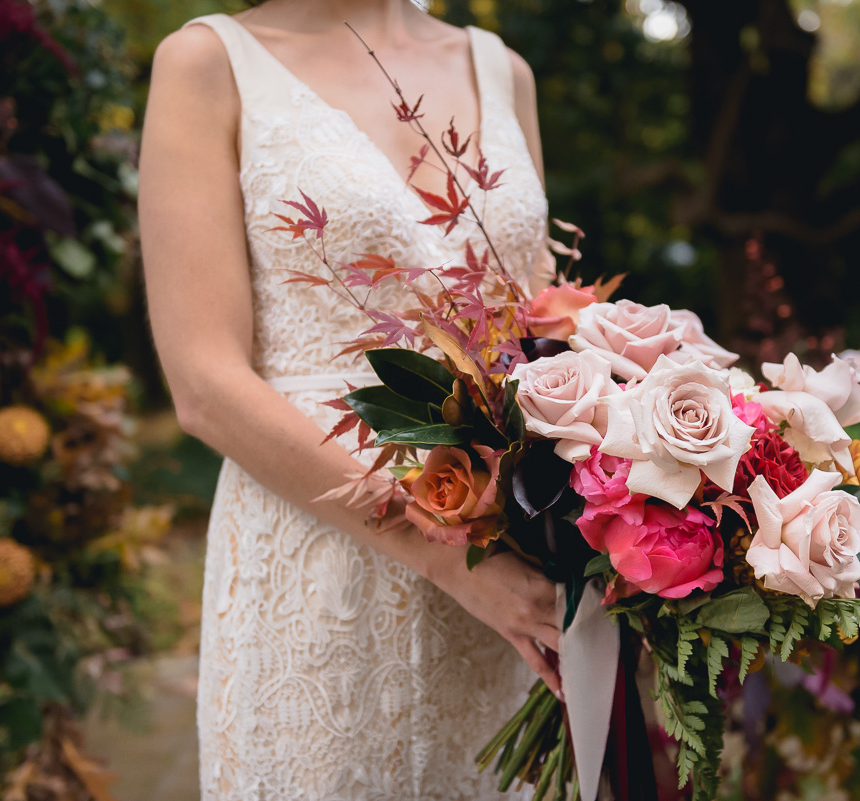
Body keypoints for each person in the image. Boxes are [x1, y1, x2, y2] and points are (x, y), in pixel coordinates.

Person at [138, 1, 560, 797]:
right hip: (316, 562)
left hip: (509, 567)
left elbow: (540, 336)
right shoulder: (208, 64)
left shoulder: (503, 70)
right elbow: (203, 385)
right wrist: (453, 563)